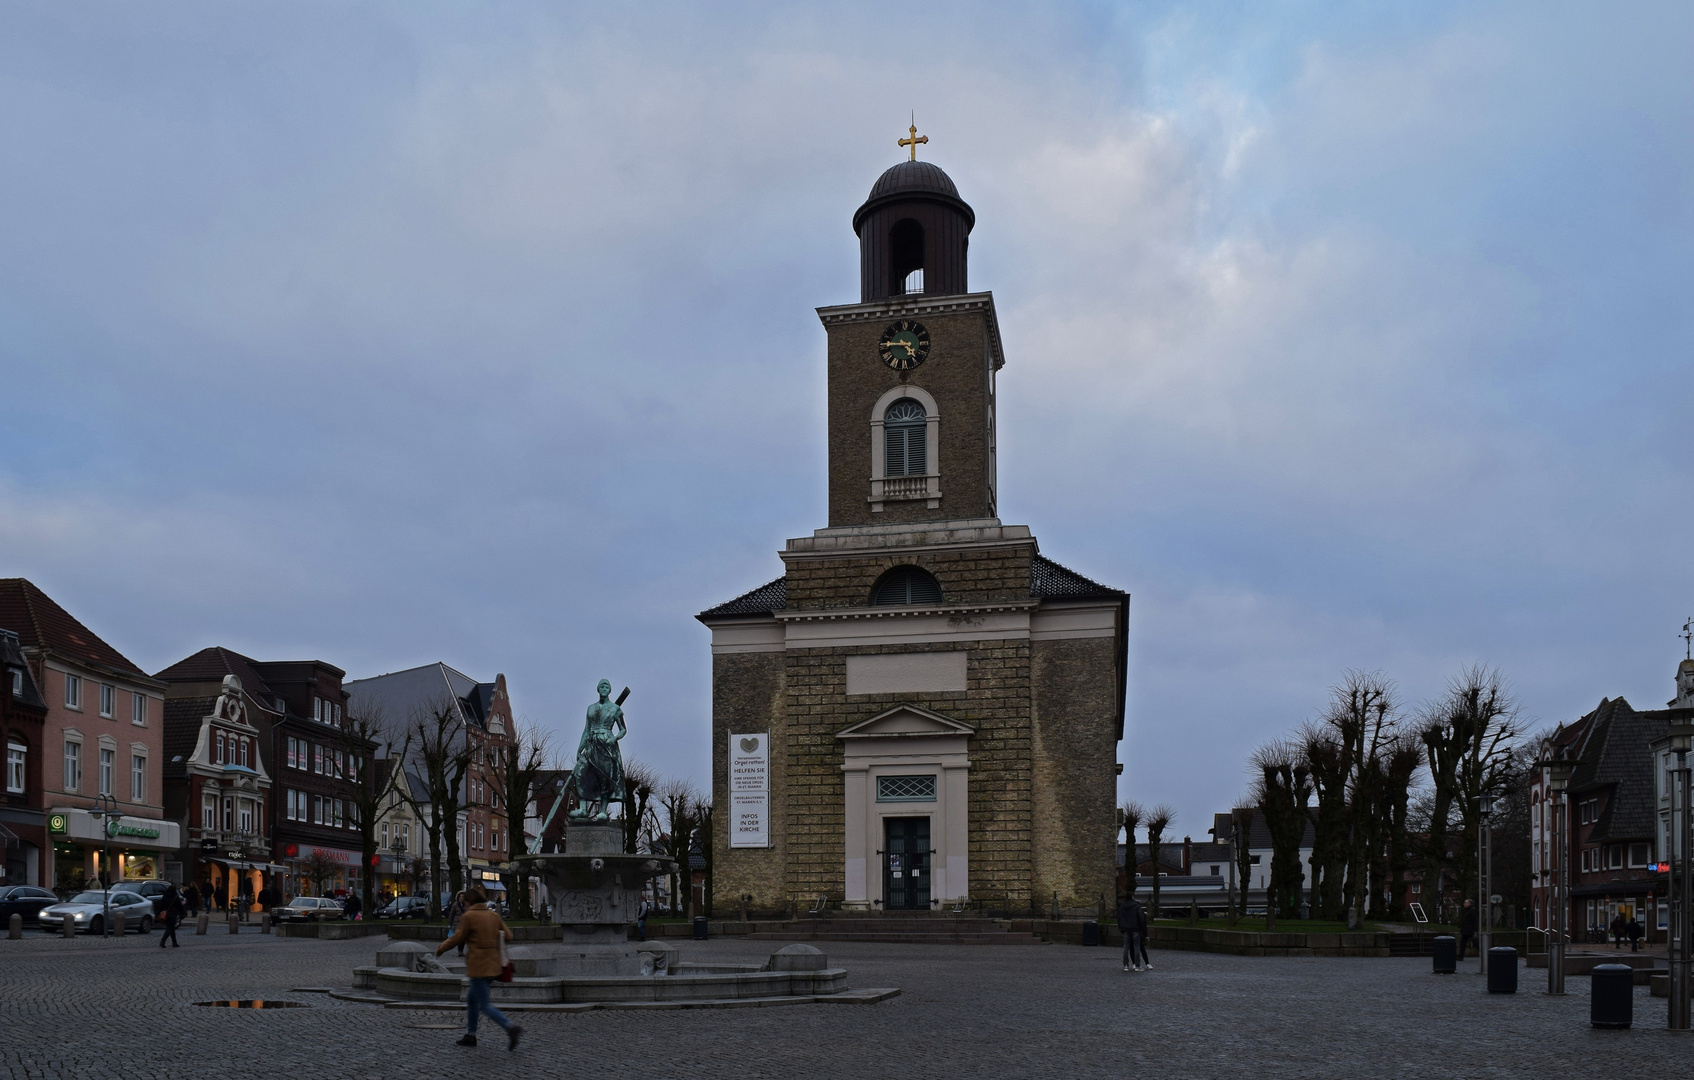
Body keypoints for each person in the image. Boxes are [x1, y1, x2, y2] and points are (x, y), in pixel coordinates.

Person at [434, 886, 522, 1051]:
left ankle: (510, 1027)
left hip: (479, 966)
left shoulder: (469, 916)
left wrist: (440, 948)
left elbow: (457, 938)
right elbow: (509, 935)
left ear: (469, 901)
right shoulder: (493, 915)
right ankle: (470, 1035)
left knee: (483, 1004)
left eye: (465, 902)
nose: (465, 905)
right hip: (494, 966)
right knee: (472, 1000)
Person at [1116, 891, 1150, 972]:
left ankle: (1126, 965)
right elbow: (1141, 918)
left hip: (1125, 928)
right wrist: (1142, 929)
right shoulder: (1136, 906)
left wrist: (1121, 928)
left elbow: (1119, 918)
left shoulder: (1121, 906)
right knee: (1136, 947)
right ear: (1132, 897)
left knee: (1126, 947)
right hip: (1135, 928)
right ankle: (1137, 965)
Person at [158, 884, 182, 949]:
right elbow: (180, 906)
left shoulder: (165, 896)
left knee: (171, 928)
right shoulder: (175, 897)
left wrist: (159, 912)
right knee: (170, 928)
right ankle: (163, 941)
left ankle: (174, 942)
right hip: (173, 914)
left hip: (166, 914)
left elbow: (161, 904)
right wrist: (182, 913)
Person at [448, 892, 468, 956]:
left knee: (464, 938)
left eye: (463, 897)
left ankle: (461, 950)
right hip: (457, 923)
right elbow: (451, 914)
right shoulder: (455, 905)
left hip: (464, 923)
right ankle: (460, 951)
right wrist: (450, 923)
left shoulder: (466, 905)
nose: (461, 898)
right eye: (460, 897)